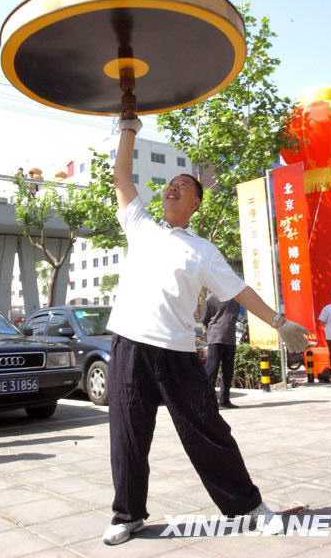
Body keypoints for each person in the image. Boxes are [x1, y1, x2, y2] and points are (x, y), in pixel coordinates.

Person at [103, 117, 309, 545]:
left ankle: (248, 507)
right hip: (128, 344)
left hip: (176, 354)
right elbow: (121, 175)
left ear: (196, 202)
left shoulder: (203, 250)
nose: (172, 188)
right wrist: (128, 130)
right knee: (127, 433)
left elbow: (240, 291)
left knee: (208, 430)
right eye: (169, 184)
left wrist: (280, 321)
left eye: (182, 185)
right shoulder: (140, 225)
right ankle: (128, 515)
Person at [203, 293, 240, 408]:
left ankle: (210, 402)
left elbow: (205, 319)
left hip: (216, 337)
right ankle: (223, 400)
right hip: (228, 338)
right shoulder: (236, 297)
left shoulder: (211, 298)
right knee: (226, 371)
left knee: (212, 371)